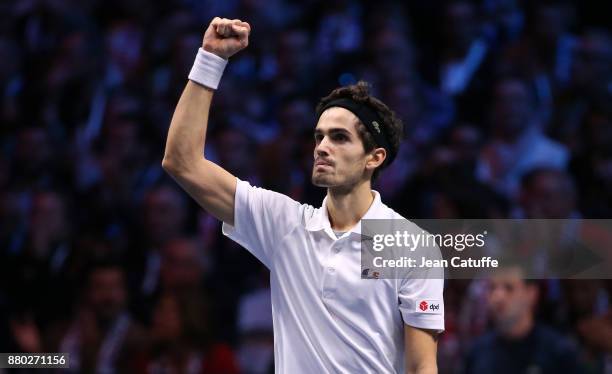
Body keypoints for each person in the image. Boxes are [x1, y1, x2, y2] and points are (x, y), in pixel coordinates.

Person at [162, 17, 444, 373]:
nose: (322, 147)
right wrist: (210, 59)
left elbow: (422, 367)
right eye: (319, 136)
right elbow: (181, 161)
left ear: (374, 158)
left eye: (339, 137)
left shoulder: (410, 245)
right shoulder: (282, 223)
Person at [463, 266, 580, 374]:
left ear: (531, 293)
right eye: (492, 288)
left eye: (509, 288)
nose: (498, 296)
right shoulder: (477, 353)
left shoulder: (558, 353)